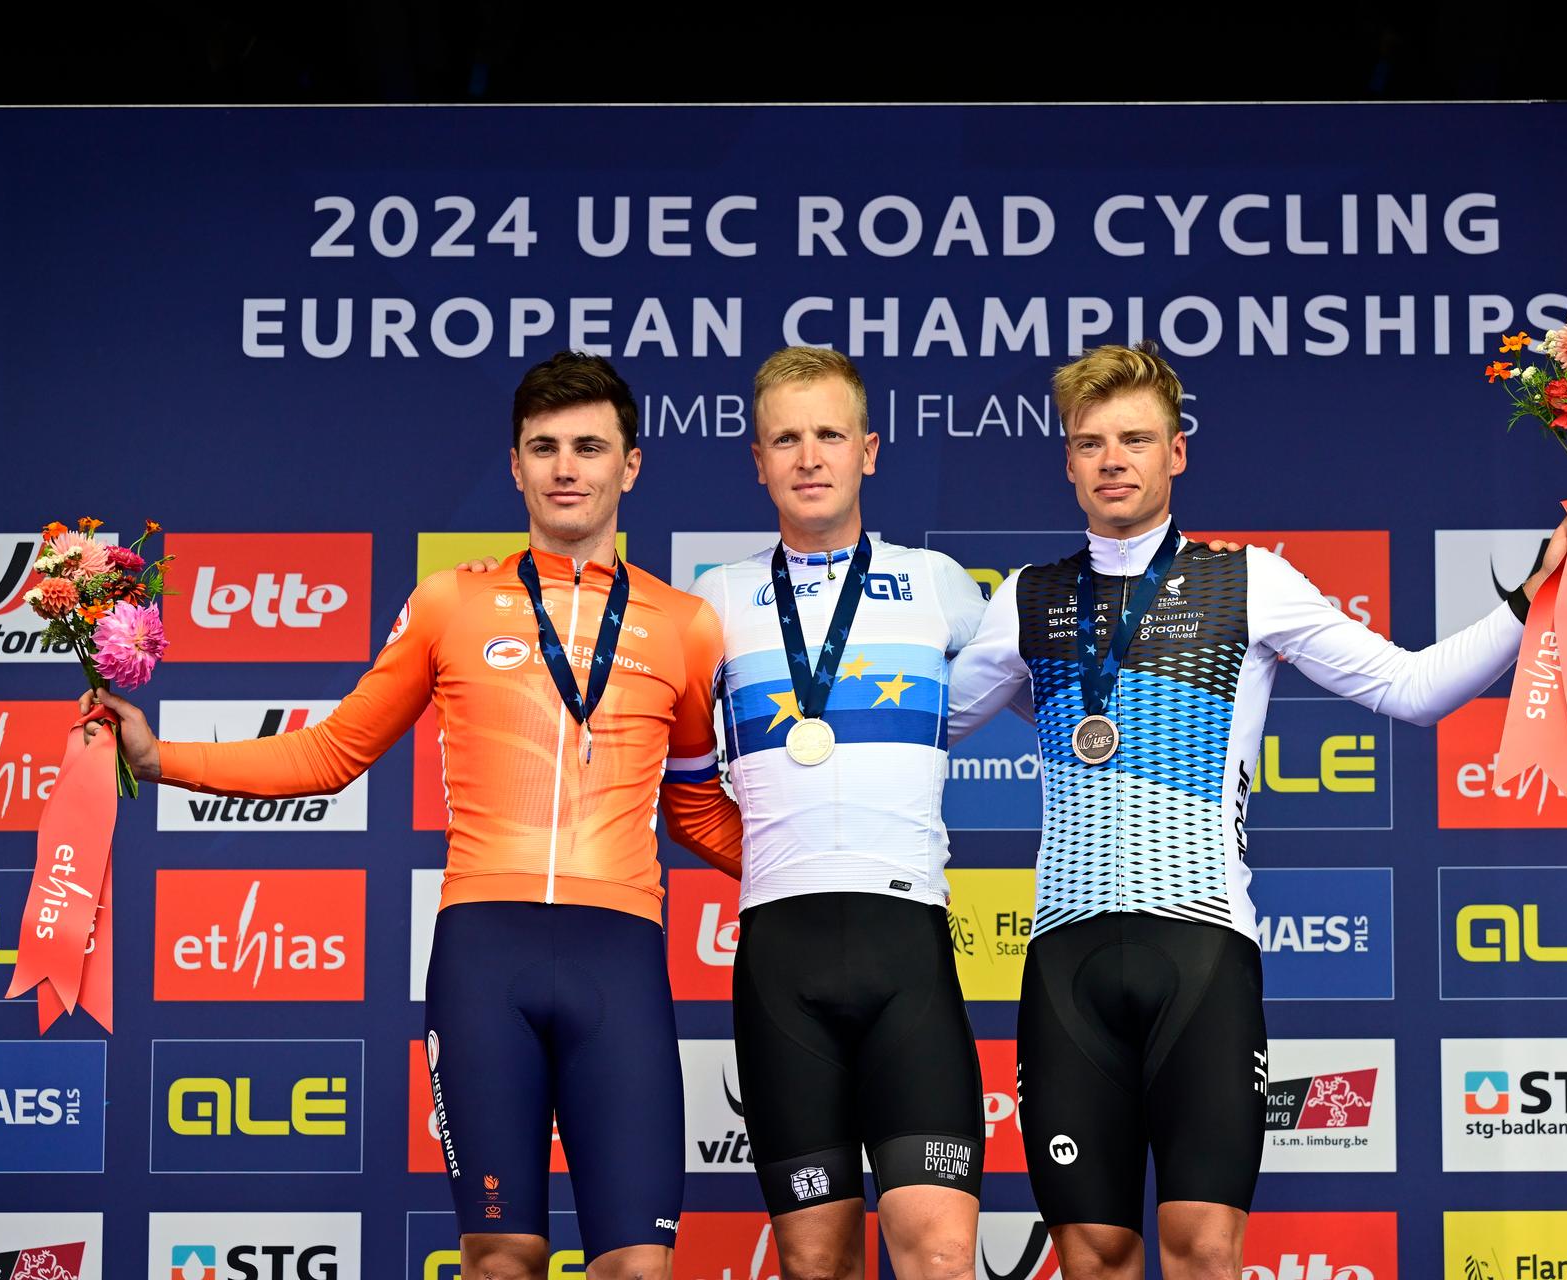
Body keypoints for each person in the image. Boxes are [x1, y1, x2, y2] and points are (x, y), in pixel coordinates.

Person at [945, 343, 1567, 1280]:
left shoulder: (1250, 580)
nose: (1113, 460)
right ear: (1066, 460)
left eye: (1135, 438)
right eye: (1090, 442)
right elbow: (919, 727)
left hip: (1203, 951)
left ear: (1177, 451)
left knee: (1204, 1250)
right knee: (1092, 1252)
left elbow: (1411, 688)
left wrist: (1530, 596)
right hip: (1068, 959)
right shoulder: (1027, 598)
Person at [85, 353, 742, 1280]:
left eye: (590, 447)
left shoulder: (688, 625)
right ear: (513, 465)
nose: (566, 467)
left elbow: (696, 808)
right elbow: (331, 751)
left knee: (637, 1268)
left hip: (621, 955)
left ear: (629, 466)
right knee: (499, 1258)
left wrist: (822, 870)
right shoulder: (451, 601)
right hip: (485, 955)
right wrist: (161, 760)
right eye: (543, 446)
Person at [688, 347, 991, 1280]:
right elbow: (685, 786)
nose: (809, 455)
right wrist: (778, 863)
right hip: (781, 962)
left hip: (908, 949)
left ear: (870, 449)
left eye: (829, 434)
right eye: (787, 437)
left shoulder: (940, 584)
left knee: (940, 1255)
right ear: (758, 460)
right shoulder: (714, 603)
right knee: (815, 1262)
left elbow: (1054, 698)